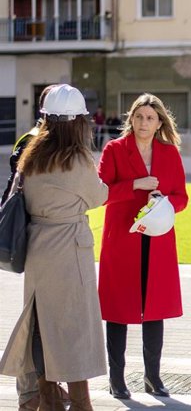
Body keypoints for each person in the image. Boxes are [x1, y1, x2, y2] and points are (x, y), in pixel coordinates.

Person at [0, 84, 109, 411]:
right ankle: (79, 403)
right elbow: (99, 195)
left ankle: (46, 398)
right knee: (74, 332)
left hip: (38, 250)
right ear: (78, 122)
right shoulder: (76, 158)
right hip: (70, 251)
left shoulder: (31, 155)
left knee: (41, 330)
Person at [97, 93, 188, 399]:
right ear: (131, 119)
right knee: (118, 310)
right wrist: (135, 185)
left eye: (150, 117)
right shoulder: (114, 150)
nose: (143, 123)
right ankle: (117, 379)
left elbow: (182, 197)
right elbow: (102, 193)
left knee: (155, 310)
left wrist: (164, 200)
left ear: (159, 121)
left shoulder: (170, 153)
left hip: (158, 239)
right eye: (138, 117)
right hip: (123, 239)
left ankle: (153, 377)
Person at [1, 85, 71, 411]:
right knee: (38, 321)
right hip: (36, 240)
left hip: (44, 241)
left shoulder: (43, 141)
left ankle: (42, 389)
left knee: (43, 319)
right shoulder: (32, 142)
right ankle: (32, 392)